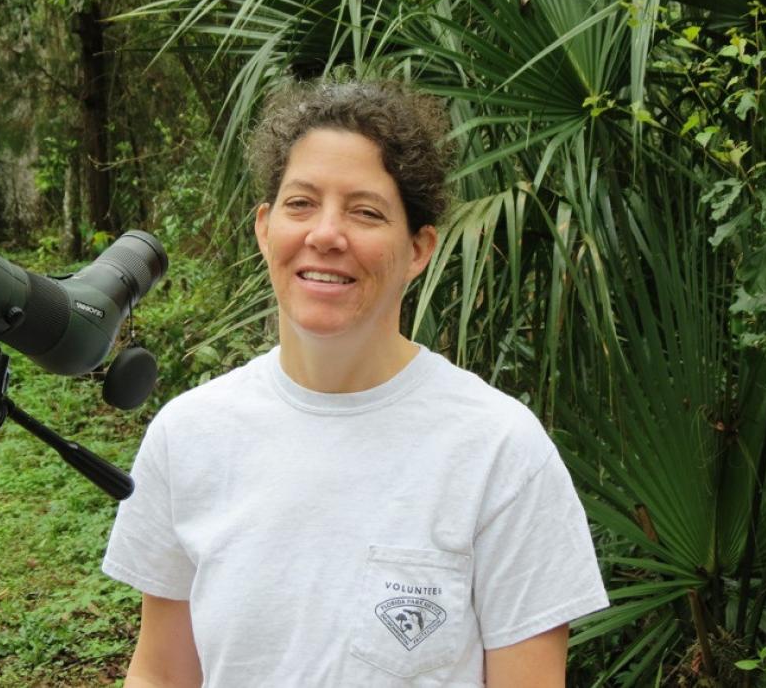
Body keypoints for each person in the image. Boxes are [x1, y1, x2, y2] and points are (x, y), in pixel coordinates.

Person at [103, 80, 608, 687]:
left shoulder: (500, 449)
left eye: (366, 212)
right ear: (264, 228)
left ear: (419, 248)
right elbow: (161, 674)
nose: (325, 234)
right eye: (300, 204)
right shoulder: (189, 434)